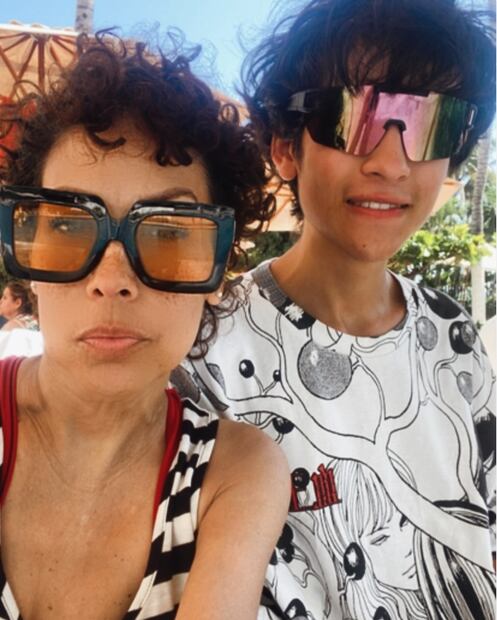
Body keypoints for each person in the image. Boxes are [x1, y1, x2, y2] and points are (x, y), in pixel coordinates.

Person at [176, 0, 497, 617]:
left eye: (431, 124)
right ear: (285, 147)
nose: (390, 163)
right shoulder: (206, 352)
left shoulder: (452, 331)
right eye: (354, 116)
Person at [0, 34, 290, 619]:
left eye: (170, 231)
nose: (112, 280)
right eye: (67, 225)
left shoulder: (236, 474)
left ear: (218, 271)